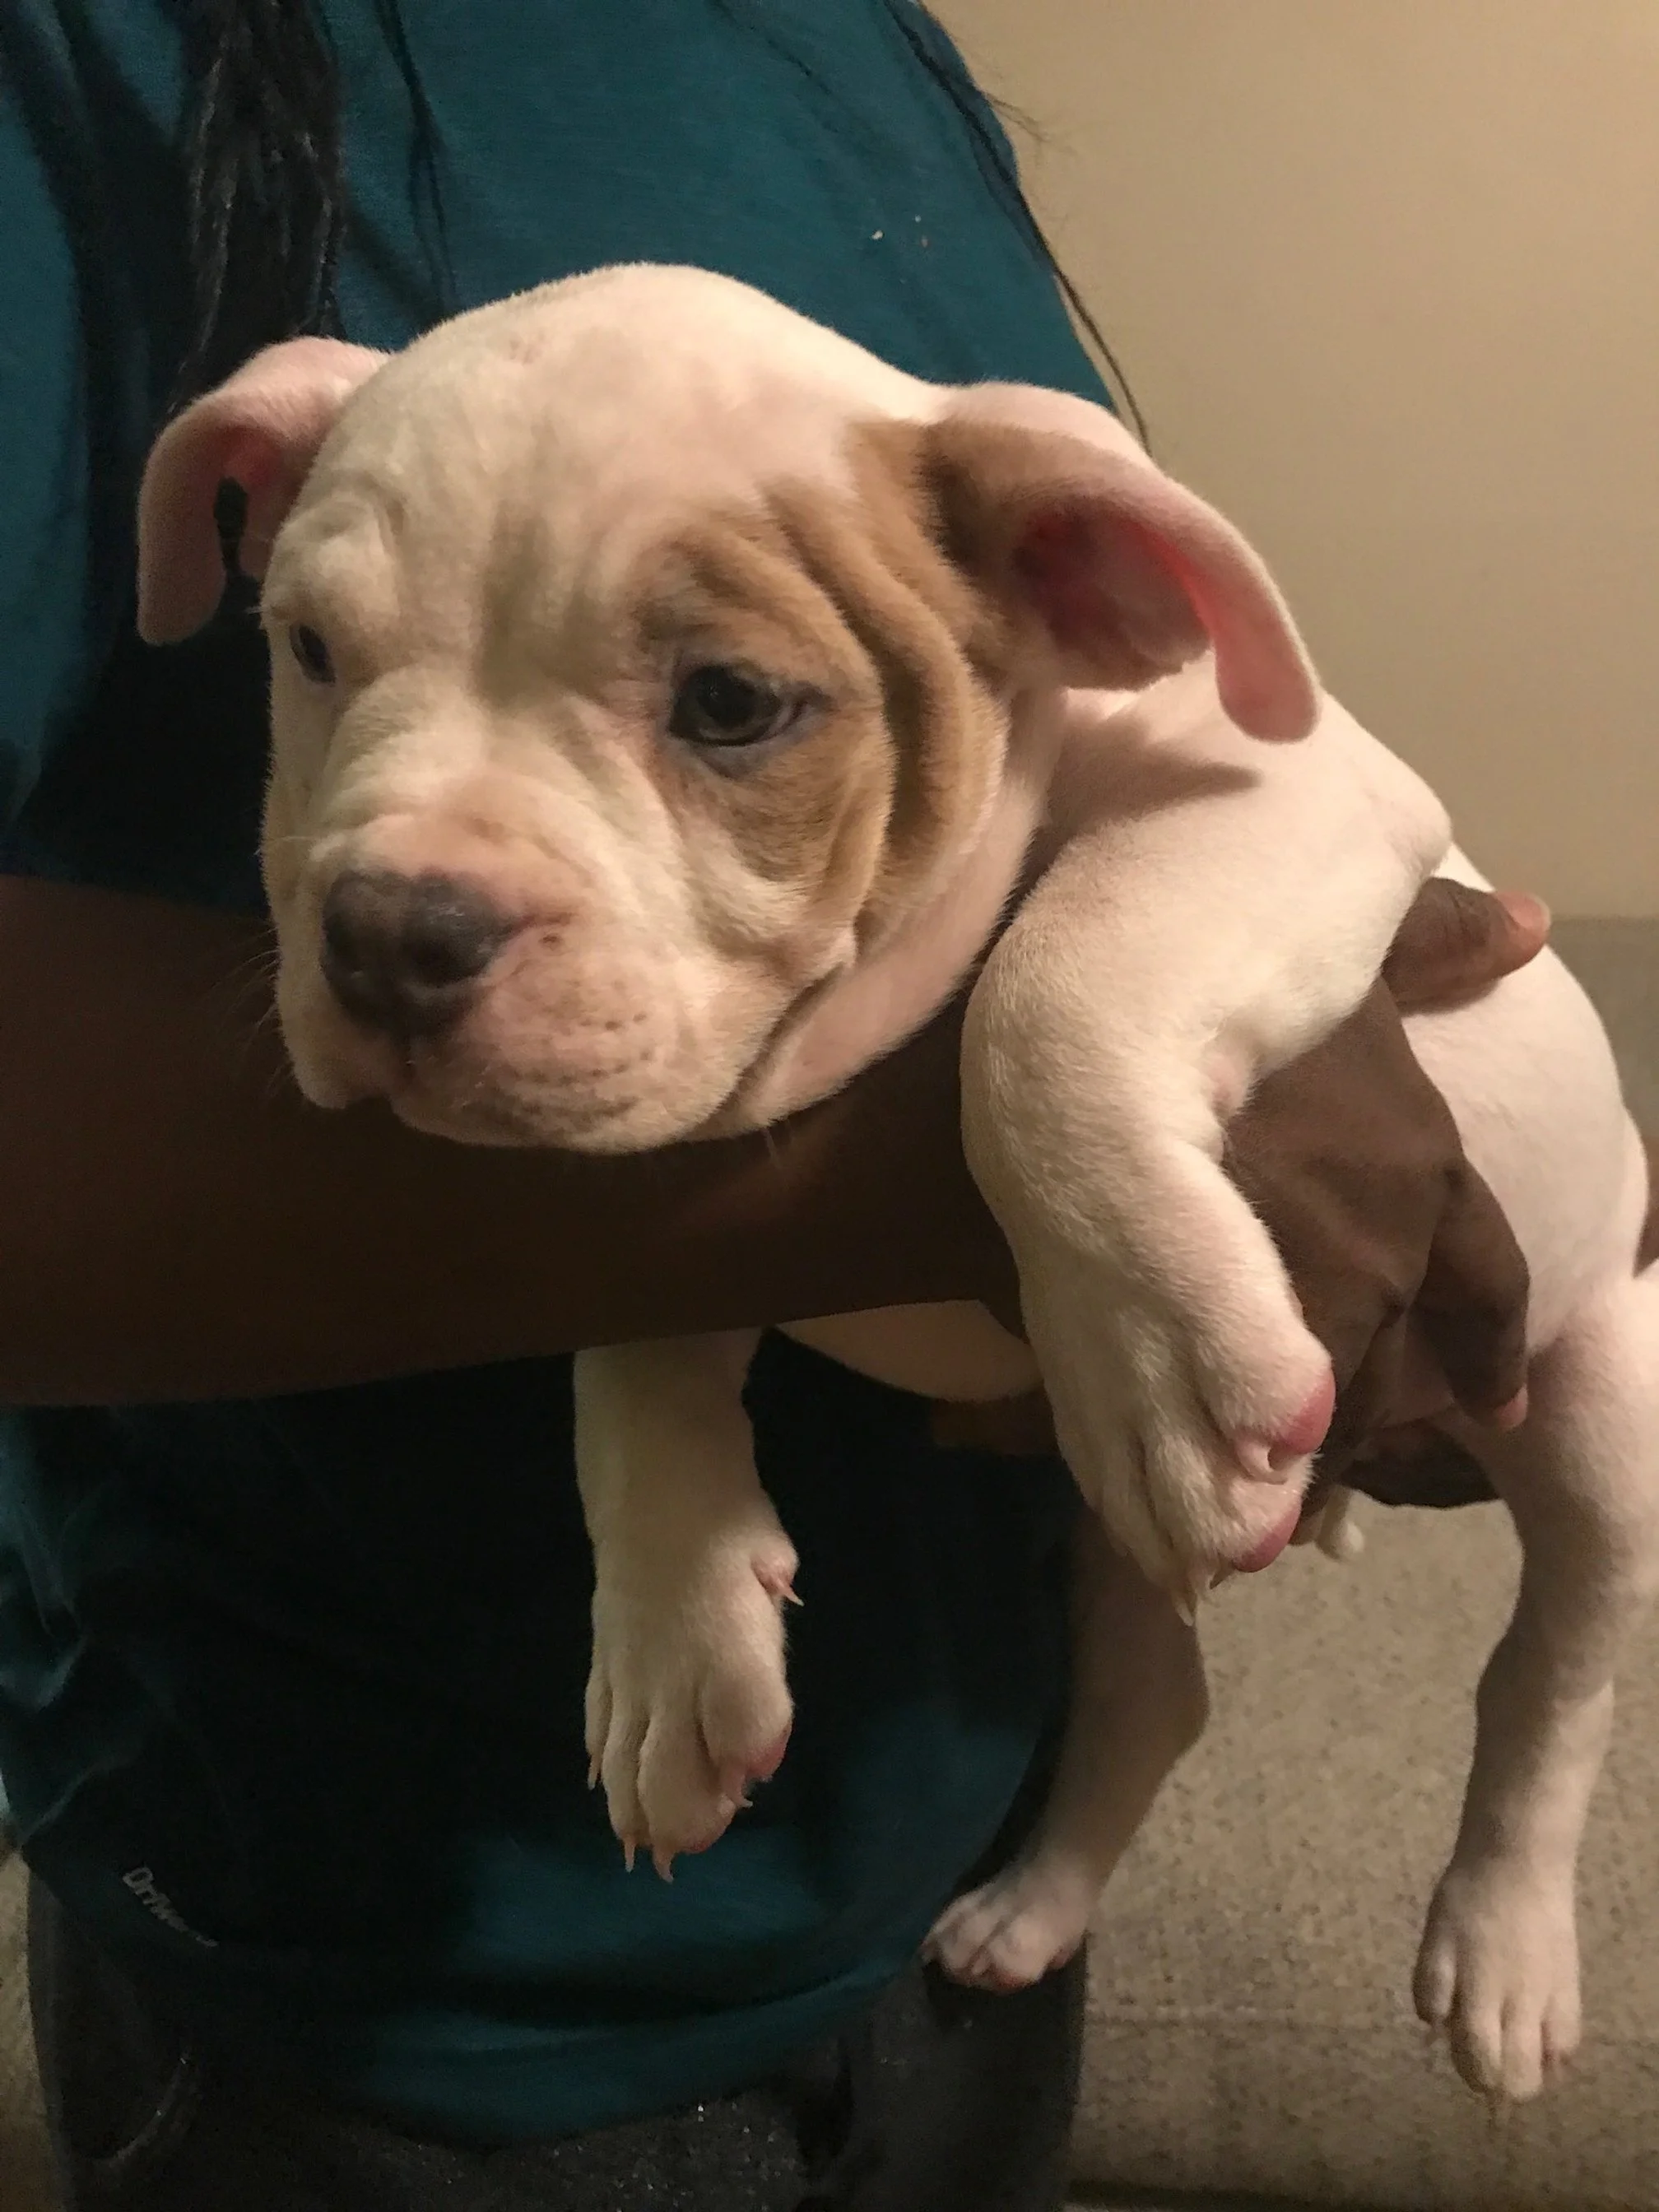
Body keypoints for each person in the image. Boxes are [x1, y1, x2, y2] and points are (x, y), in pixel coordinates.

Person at [0, 4, 1542, 2206]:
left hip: (943, 1837)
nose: (395, 880)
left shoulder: (839, 33)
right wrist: (1015, 1169)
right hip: (394, 1974)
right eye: (324, 653)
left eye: (718, 699)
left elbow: (1138, 764)